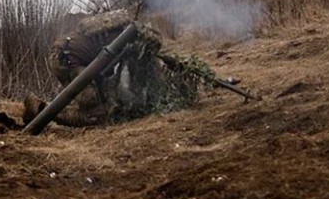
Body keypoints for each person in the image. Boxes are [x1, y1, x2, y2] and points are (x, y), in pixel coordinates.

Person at [23, 10, 200, 127]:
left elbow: (113, 72)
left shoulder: (118, 30)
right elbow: (128, 71)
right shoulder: (126, 38)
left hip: (73, 57)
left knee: (98, 100)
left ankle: (49, 111)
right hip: (66, 60)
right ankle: (41, 110)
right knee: (95, 113)